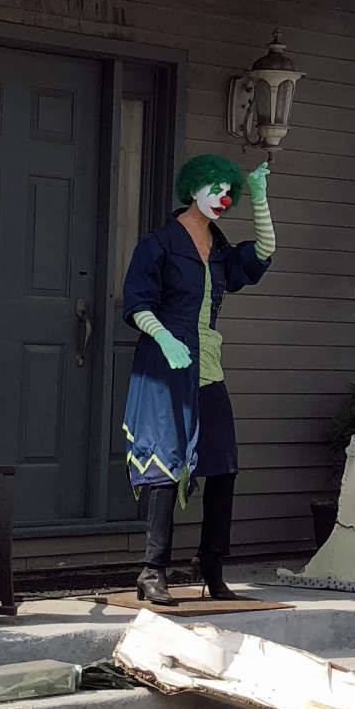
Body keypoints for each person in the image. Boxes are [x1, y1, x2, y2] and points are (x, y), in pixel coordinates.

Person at [120, 154, 274, 605]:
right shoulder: (159, 244)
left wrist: (261, 199)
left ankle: (212, 565)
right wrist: (164, 337)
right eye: (216, 189)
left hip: (208, 366)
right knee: (165, 466)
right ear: (193, 190)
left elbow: (263, 251)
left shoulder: (223, 251)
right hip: (166, 364)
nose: (223, 198)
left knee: (222, 465)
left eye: (230, 191)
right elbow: (136, 302)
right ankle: (153, 571)